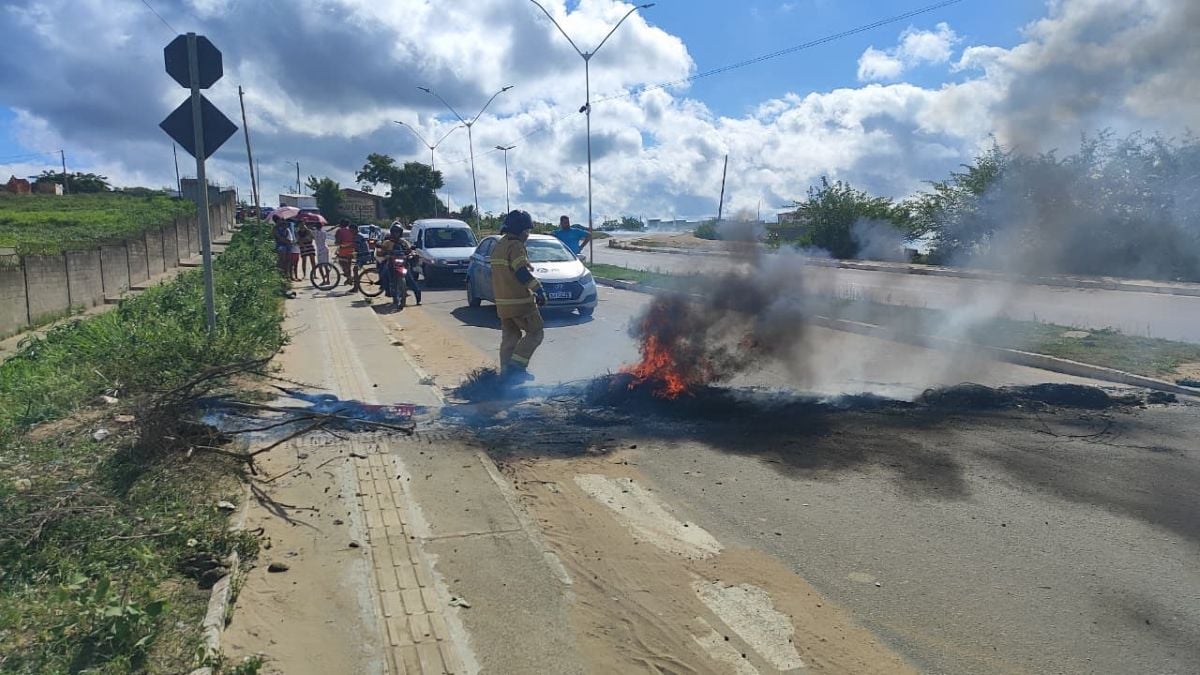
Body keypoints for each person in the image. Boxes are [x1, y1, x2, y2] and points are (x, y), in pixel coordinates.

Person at [490, 210, 545, 381]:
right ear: (521, 230)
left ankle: (506, 375)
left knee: (510, 338)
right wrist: (539, 290)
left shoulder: (500, 245)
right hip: (520, 303)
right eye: (527, 231)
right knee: (536, 333)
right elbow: (521, 272)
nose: (528, 235)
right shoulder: (516, 246)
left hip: (502, 304)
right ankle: (516, 368)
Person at [334, 219, 356, 285]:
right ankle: (349, 279)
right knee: (348, 265)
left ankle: (349, 277)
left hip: (344, 249)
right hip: (351, 249)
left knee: (342, 263)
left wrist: (337, 243)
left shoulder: (339, 231)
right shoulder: (350, 230)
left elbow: (338, 241)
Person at [312, 221, 331, 285]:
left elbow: (309, 230)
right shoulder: (324, 232)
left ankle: (324, 280)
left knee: (320, 266)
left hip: (320, 250)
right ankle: (327, 280)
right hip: (325, 249)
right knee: (325, 265)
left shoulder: (314, 232)